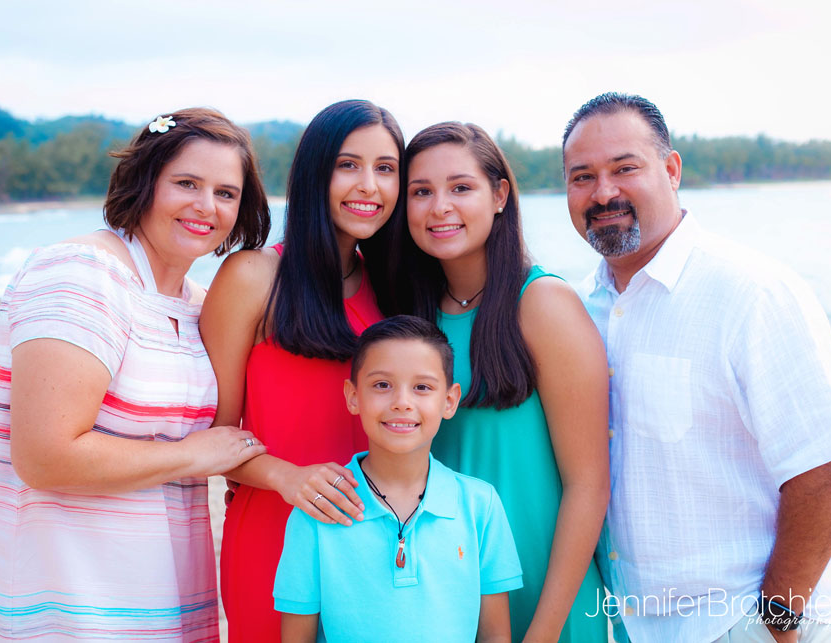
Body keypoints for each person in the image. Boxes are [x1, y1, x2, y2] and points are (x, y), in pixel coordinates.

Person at [561, 92, 831, 643]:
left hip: (736, 625)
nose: (604, 192)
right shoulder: (580, 312)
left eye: (625, 168)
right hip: (628, 627)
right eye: (583, 177)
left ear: (671, 170)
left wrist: (774, 624)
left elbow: (828, 465)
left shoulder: (750, 293)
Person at [0, 107, 270, 641]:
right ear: (144, 181)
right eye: (187, 183)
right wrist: (195, 454)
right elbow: (45, 455)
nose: (206, 206)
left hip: (158, 596)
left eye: (226, 192)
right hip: (64, 603)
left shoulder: (198, 304)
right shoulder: (82, 273)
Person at [386, 122, 610, 641]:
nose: (440, 207)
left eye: (461, 188)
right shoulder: (411, 318)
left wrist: (546, 630)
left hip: (546, 598)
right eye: (421, 192)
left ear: (500, 194)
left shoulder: (542, 304)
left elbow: (589, 484)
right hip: (447, 597)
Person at [199, 99, 405, 641]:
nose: (369, 185)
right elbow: (213, 436)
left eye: (386, 169)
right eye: (347, 165)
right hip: (277, 533)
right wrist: (287, 478)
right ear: (314, 173)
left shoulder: (393, 290)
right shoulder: (253, 275)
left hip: (381, 543)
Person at [274, 315, 523, 642]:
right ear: (353, 396)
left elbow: (494, 636)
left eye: (422, 387)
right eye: (382, 385)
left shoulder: (481, 506)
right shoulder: (318, 509)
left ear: (449, 401)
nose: (402, 402)